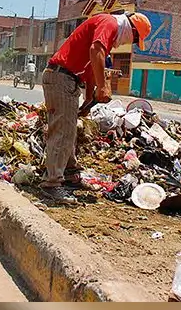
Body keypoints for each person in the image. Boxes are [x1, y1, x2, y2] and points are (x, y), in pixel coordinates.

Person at [40, 11, 151, 204]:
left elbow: (92, 66)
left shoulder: (107, 30)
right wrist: (103, 86)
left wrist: (89, 98)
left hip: (68, 80)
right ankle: (51, 185)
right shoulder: (110, 23)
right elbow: (95, 51)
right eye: (134, 40)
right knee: (62, 132)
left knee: (68, 130)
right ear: (131, 29)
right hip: (60, 78)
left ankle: (70, 175)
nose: (129, 44)